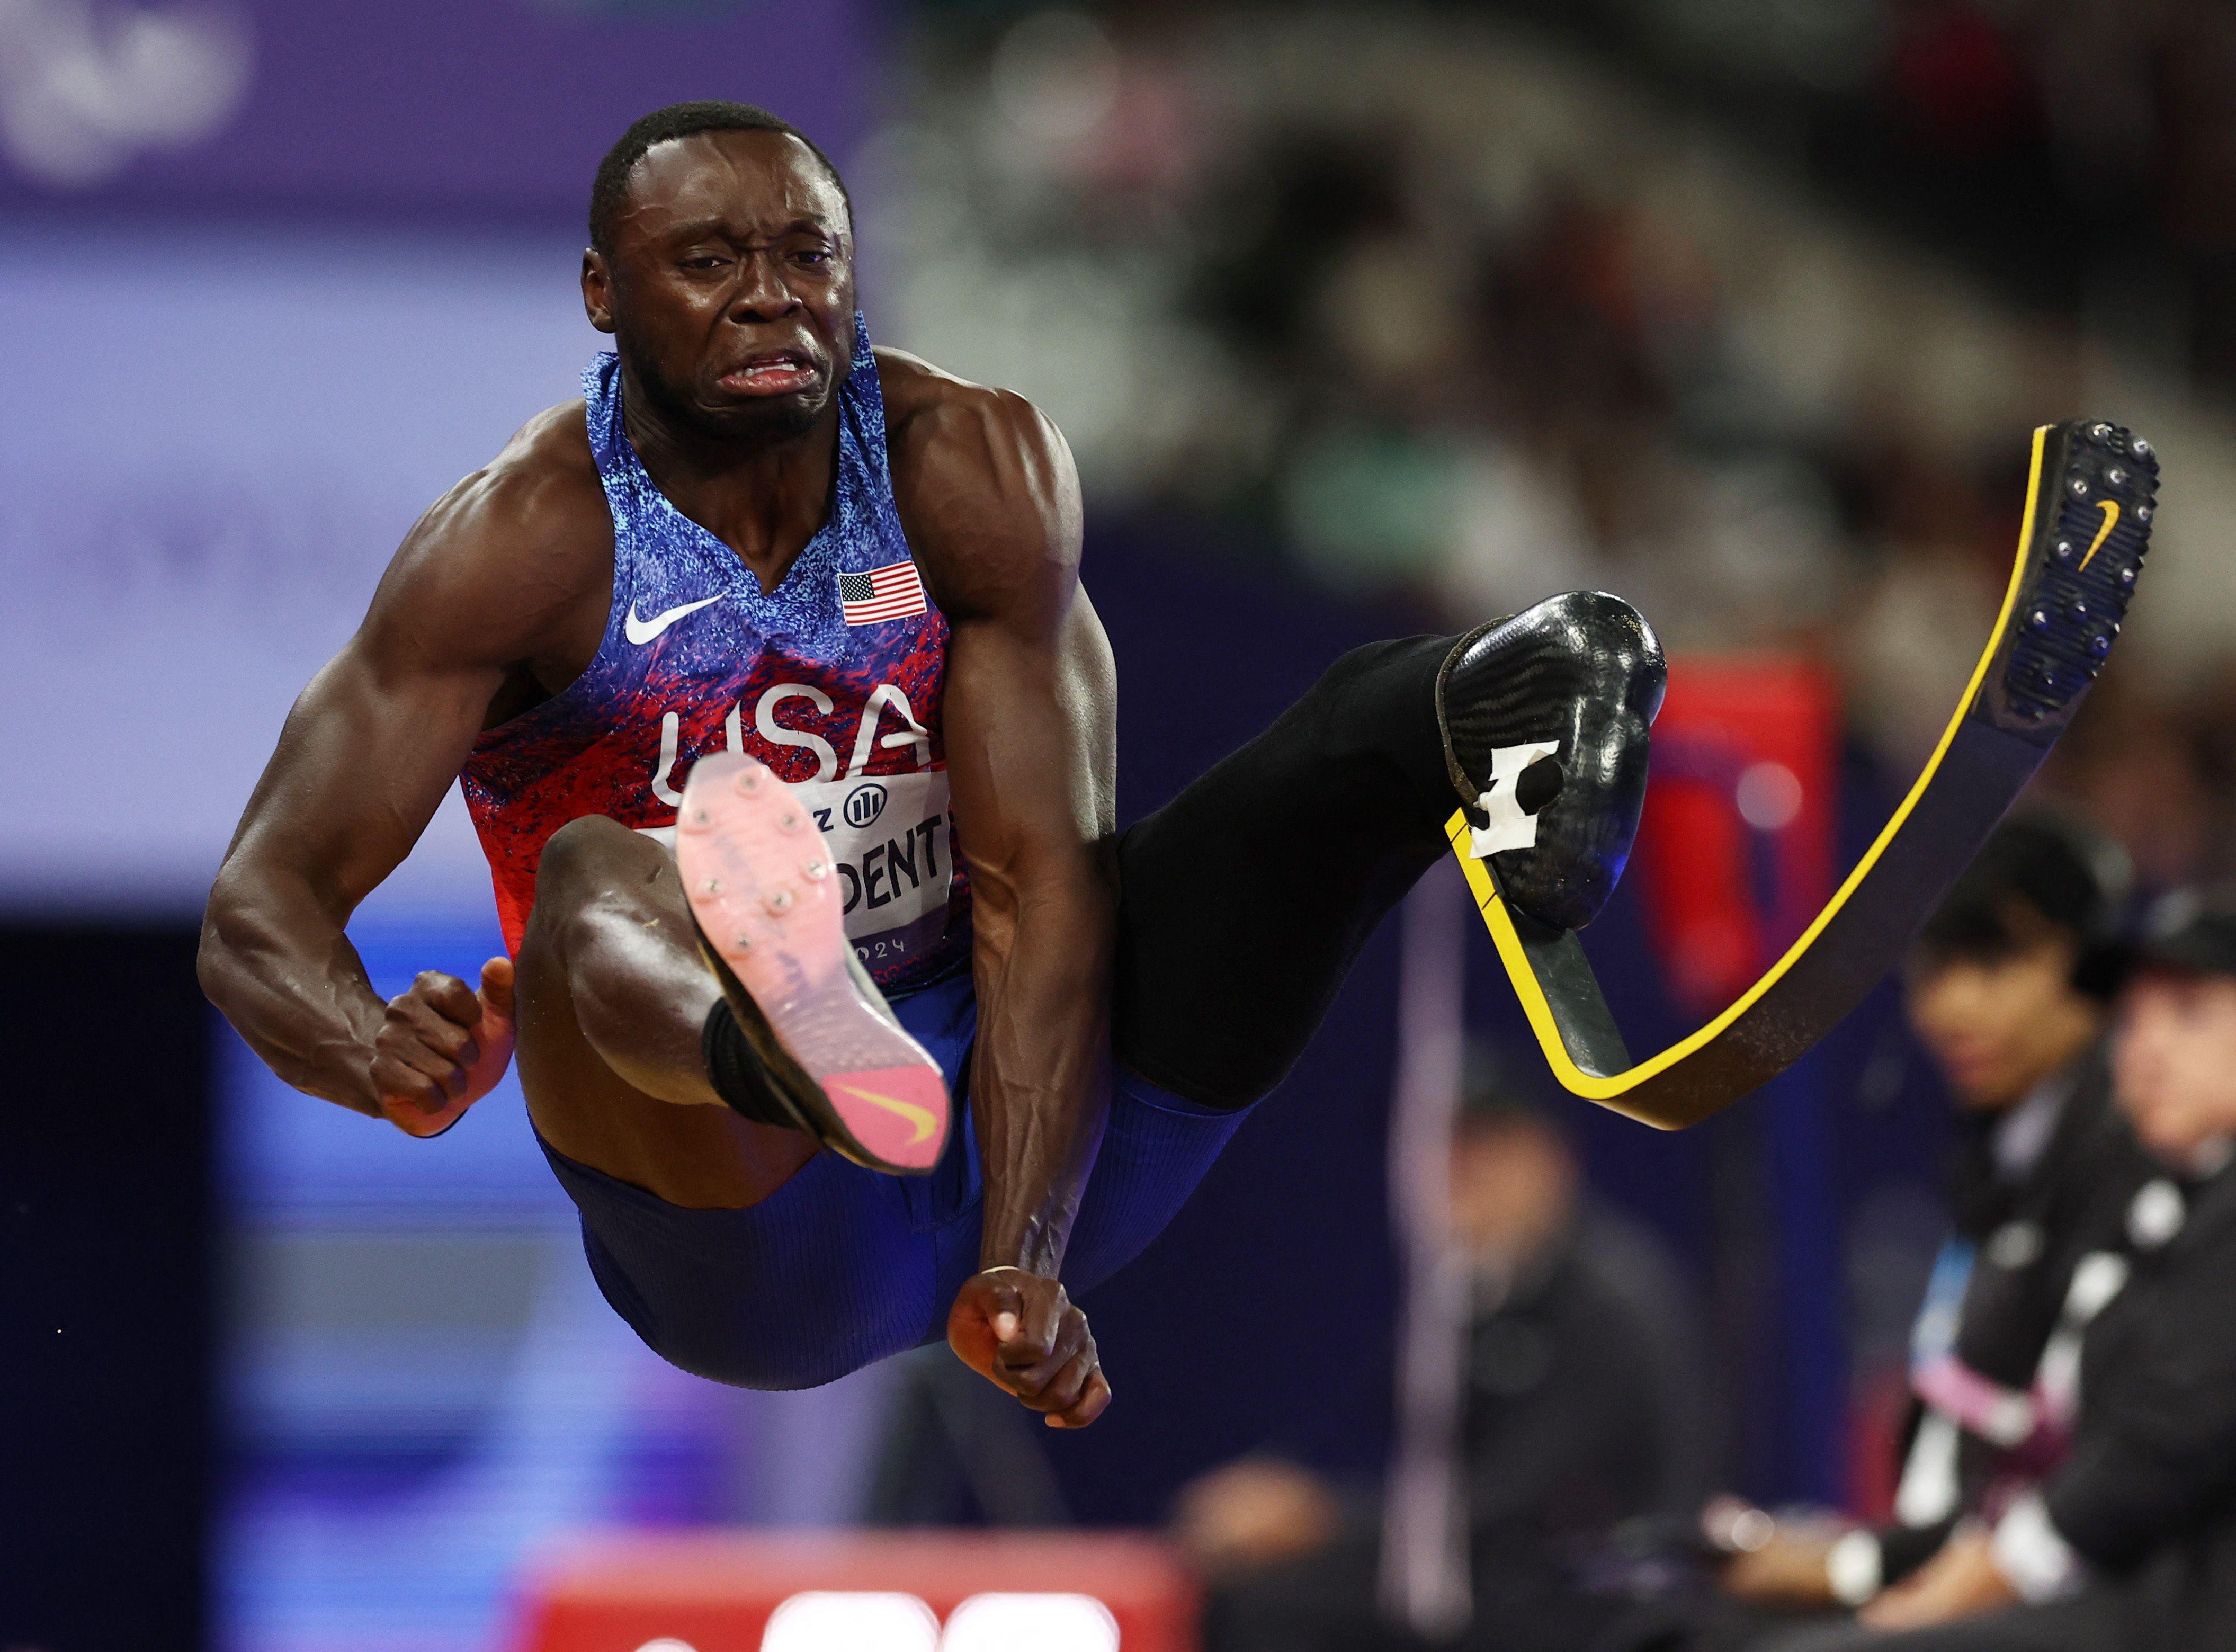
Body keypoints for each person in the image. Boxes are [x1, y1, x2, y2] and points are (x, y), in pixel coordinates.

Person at [197, 100, 1666, 1426]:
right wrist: (369, 1041)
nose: (770, 294)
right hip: (748, 1230)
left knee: (1347, 728)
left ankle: (1547, 691)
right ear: (603, 293)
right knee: (601, 868)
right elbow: (260, 909)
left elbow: (1038, 882)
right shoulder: (522, 542)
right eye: (707, 260)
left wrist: (1021, 1258)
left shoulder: (963, 465)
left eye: (805, 252)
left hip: (1034, 1128)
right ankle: (778, 1033)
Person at [1747, 890, 2236, 1650]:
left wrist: (1970, 1580)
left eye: (2186, 1012)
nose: (2142, 1048)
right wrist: (1868, 1565)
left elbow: (2162, 1446)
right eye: (2132, 1017)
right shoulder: (2158, 1206)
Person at [1174, 1085, 1710, 1652]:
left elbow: (1516, 1500)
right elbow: (1374, 1436)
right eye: (1443, 1147)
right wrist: (1279, 1495)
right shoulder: (1466, 1295)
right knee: (1250, 1590)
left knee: (1276, 1609)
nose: (1460, 1171)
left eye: (1484, 1146)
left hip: (1593, 1596)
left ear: (1550, 1155)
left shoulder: (1609, 1302)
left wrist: (1320, 1520)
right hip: (1493, 1575)